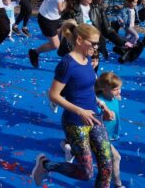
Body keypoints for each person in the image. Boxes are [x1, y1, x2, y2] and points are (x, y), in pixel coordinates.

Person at [31, 22, 113, 187]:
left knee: (107, 167)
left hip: (94, 117)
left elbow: (87, 88)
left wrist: (102, 104)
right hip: (75, 123)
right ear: (80, 40)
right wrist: (80, 111)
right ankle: (46, 165)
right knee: (86, 173)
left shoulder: (87, 58)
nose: (96, 47)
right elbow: (54, 95)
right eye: (93, 43)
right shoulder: (67, 64)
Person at [59, 0, 133, 64]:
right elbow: (64, 28)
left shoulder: (97, 8)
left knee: (92, 75)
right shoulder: (71, 10)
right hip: (77, 50)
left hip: (93, 51)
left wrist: (123, 43)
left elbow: (107, 30)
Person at [29, 0, 79, 68]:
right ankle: (34, 52)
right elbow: (61, 9)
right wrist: (69, 3)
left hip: (56, 17)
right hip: (47, 18)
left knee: (67, 35)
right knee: (55, 45)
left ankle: (68, 57)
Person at [95, 72, 125, 188]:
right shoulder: (99, 103)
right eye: (116, 89)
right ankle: (118, 185)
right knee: (115, 157)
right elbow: (93, 120)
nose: (119, 92)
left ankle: (70, 148)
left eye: (120, 88)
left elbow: (116, 96)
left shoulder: (112, 96)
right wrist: (104, 116)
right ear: (104, 89)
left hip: (106, 134)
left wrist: (116, 95)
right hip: (99, 135)